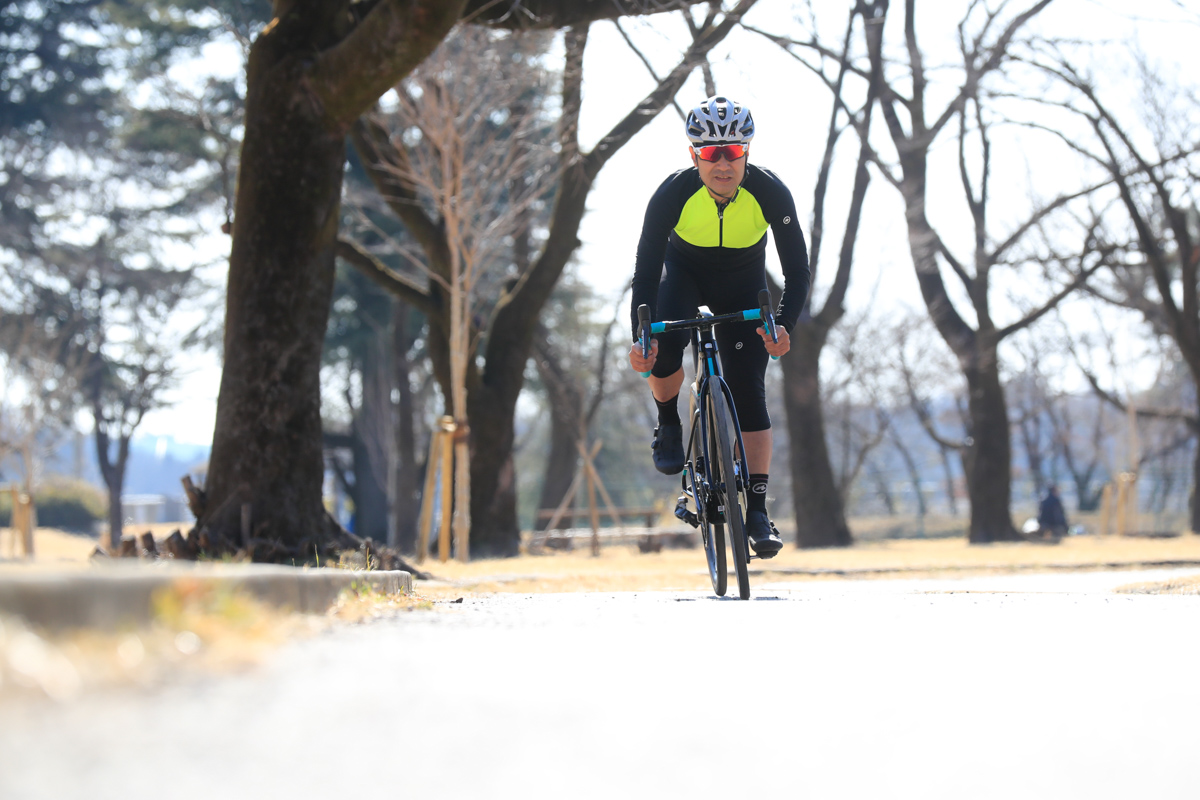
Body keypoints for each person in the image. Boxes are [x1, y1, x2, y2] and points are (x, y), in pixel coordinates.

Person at [627, 96, 811, 559]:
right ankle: (668, 423)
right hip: (683, 274)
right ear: (694, 156)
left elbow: (798, 271)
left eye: (733, 151)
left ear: (747, 151)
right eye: (711, 154)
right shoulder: (671, 194)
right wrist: (642, 339)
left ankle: (758, 510)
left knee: (748, 384)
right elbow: (646, 275)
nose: (723, 163)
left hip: (743, 282)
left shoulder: (770, 192)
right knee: (666, 349)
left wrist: (783, 325)